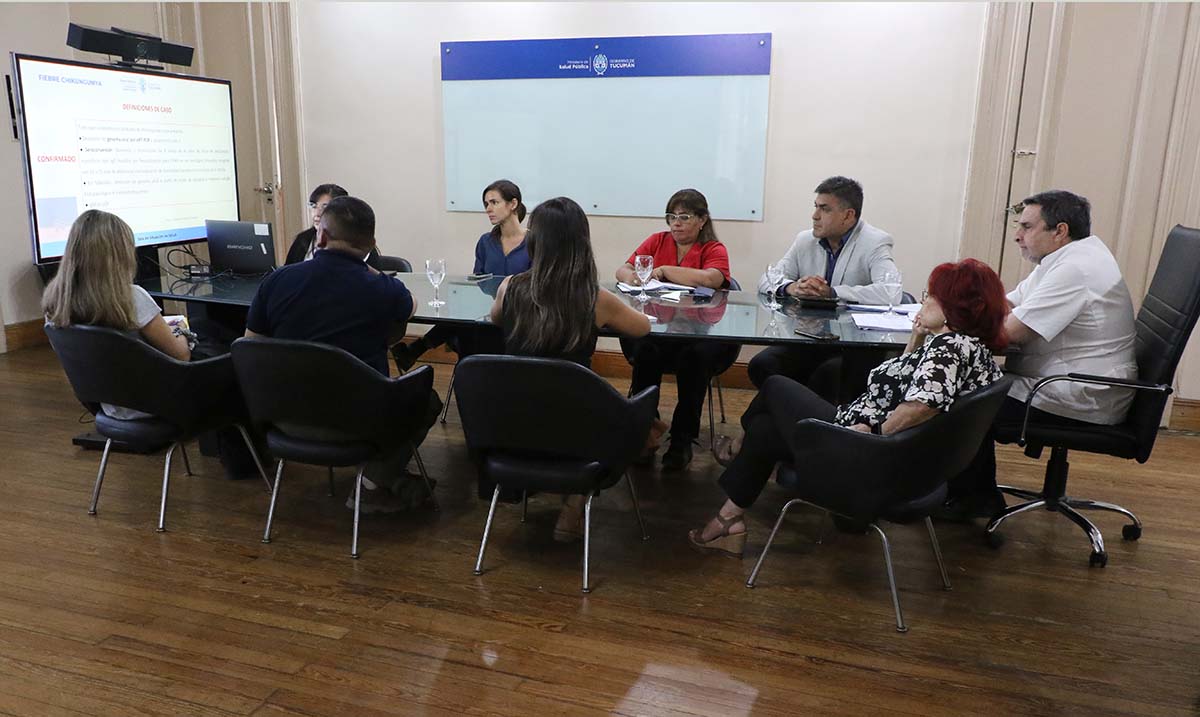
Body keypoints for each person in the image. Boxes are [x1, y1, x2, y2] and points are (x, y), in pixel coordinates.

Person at [690, 259, 1007, 555]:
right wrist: (916, 338)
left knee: (774, 385)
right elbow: (904, 384)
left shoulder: (948, 351)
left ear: (954, 308)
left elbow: (922, 406)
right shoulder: (966, 347)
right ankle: (728, 520)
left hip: (865, 451)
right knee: (765, 430)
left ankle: (737, 450)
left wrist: (873, 435)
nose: (923, 302)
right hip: (886, 449)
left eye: (931, 296)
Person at [943, 190, 1138, 520]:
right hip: (1064, 379)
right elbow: (1007, 304)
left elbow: (1007, 334)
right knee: (966, 385)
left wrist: (948, 325)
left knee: (960, 401)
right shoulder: (1066, 258)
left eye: (1027, 227)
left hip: (1079, 393)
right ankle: (970, 493)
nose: (1017, 236)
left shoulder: (1076, 269)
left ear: (1059, 231)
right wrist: (958, 310)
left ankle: (975, 499)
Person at [245, 196, 441, 513]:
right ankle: (373, 485)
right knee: (426, 399)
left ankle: (389, 481)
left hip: (284, 417)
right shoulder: (384, 290)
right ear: (371, 245)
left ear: (321, 236)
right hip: (357, 423)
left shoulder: (277, 281)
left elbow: (250, 348)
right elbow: (410, 307)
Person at [42, 210, 258, 477]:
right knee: (232, 356)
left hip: (111, 405)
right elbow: (181, 355)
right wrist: (183, 334)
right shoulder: (130, 297)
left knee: (208, 336)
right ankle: (245, 465)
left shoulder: (56, 305)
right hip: (161, 404)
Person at [489, 196, 651, 541]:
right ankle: (573, 506)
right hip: (574, 427)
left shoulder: (509, 287)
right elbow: (642, 328)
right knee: (636, 417)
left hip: (513, 424)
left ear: (535, 242)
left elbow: (496, 319)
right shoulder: (594, 298)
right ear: (581, 244)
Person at [616, 188, 738, 470]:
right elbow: (623, 270)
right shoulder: (657, 240)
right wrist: (634, 278)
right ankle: (645, 431)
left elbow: (712, 278)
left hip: (699, 335)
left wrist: (665, 271)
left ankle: (682, 439)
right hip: (661, 331)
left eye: (684, 217)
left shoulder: (713, 248)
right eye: (672, 217)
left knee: (694, 359)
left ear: (702, 220)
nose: (676, 224)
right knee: (645, 349)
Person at [749, 176, 901, 389]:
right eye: (815, 207)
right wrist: (792, 287)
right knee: (761, 365)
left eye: (824, 209)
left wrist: (832, 293)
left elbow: (890, 292)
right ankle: (788, 408)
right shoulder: (805, 240)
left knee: (825, 376)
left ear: (848, 215)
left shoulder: (875, 242)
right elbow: (766, 279)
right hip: (809, 338)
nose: (815, 216)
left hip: (853, 346)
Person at [393, 179, 530, 371]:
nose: (488, 209)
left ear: (513, 204)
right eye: (486, 204)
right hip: (490, 314)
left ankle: (418, 348)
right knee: (464, 320)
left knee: (466, 328)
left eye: (494, 202)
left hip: (521, 315)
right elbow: (478, 282)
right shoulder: (486, 242)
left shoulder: (534, 241)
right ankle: (462, 372)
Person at [284, 183, 383, 269]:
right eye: (314, 206)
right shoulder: (303, 240)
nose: (317, 214)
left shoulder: (360, 245)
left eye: (325, 207)